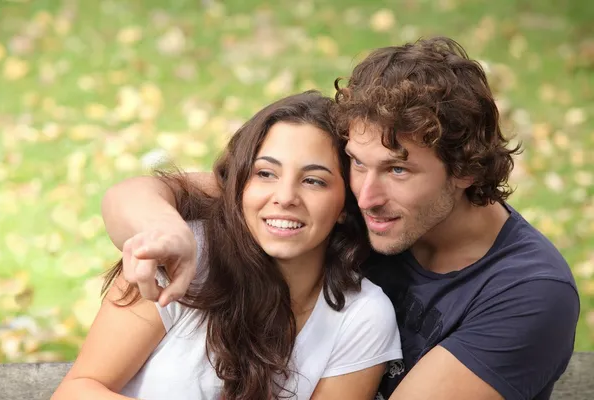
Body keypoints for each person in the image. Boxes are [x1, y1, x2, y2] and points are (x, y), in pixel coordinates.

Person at [96, 37, 580, 400]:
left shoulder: (529, 294)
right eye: (357, 161)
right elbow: (148, 193)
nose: (366, 194)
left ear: (466, 171)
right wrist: (167, 231)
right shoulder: (348, 201)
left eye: (398, 169)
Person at [52, 91, 403, 400]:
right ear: (240, 184)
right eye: (265, 173)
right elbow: (78, 390)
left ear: (345, 204)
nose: (284, 197)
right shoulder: (185, 257)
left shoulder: (362, 316)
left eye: (313, 181)